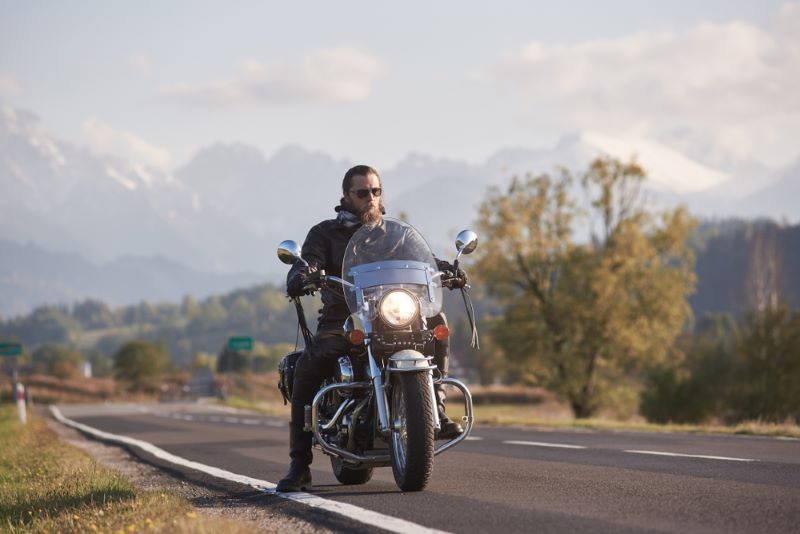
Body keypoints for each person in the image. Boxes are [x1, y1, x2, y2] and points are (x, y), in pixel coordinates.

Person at [276, 164, 466, 492]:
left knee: (437, 322)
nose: (370, 199)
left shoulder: (397, 234)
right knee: (310, 364)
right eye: (362, 193)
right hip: (344, 319)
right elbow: (311, 260)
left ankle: (437, 401)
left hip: (397, 315)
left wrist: (448, 270)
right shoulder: (325, 234)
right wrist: (303, 274)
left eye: (375, 192)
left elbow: (426, 262)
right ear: (346, 196)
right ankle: (299, 465)